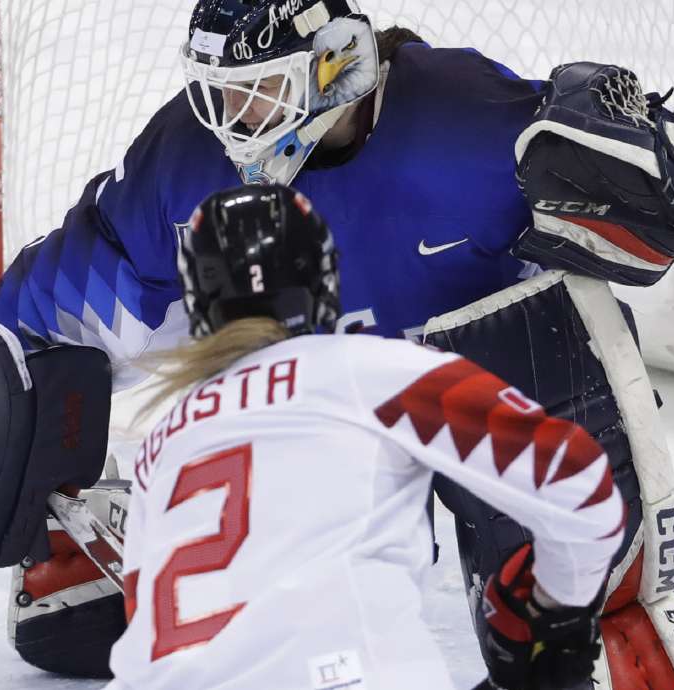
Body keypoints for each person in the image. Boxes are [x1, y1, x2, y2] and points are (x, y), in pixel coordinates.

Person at [0, 0, 674, 686]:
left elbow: (669, 194)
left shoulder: (465, 123)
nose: (232, 121)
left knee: (597, 614)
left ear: (337, 59)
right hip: (374, 416)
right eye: (219, 93)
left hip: (491, 370)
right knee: (562, 624)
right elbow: (39, 323)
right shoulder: (187, 163)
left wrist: (672, 161)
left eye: (258, 89)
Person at [107, 183, 623, 690]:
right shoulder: (374, 370)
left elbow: (143, 611)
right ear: (325, 280)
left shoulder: (165, 438)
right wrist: (557, 615)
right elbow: (575, 476)